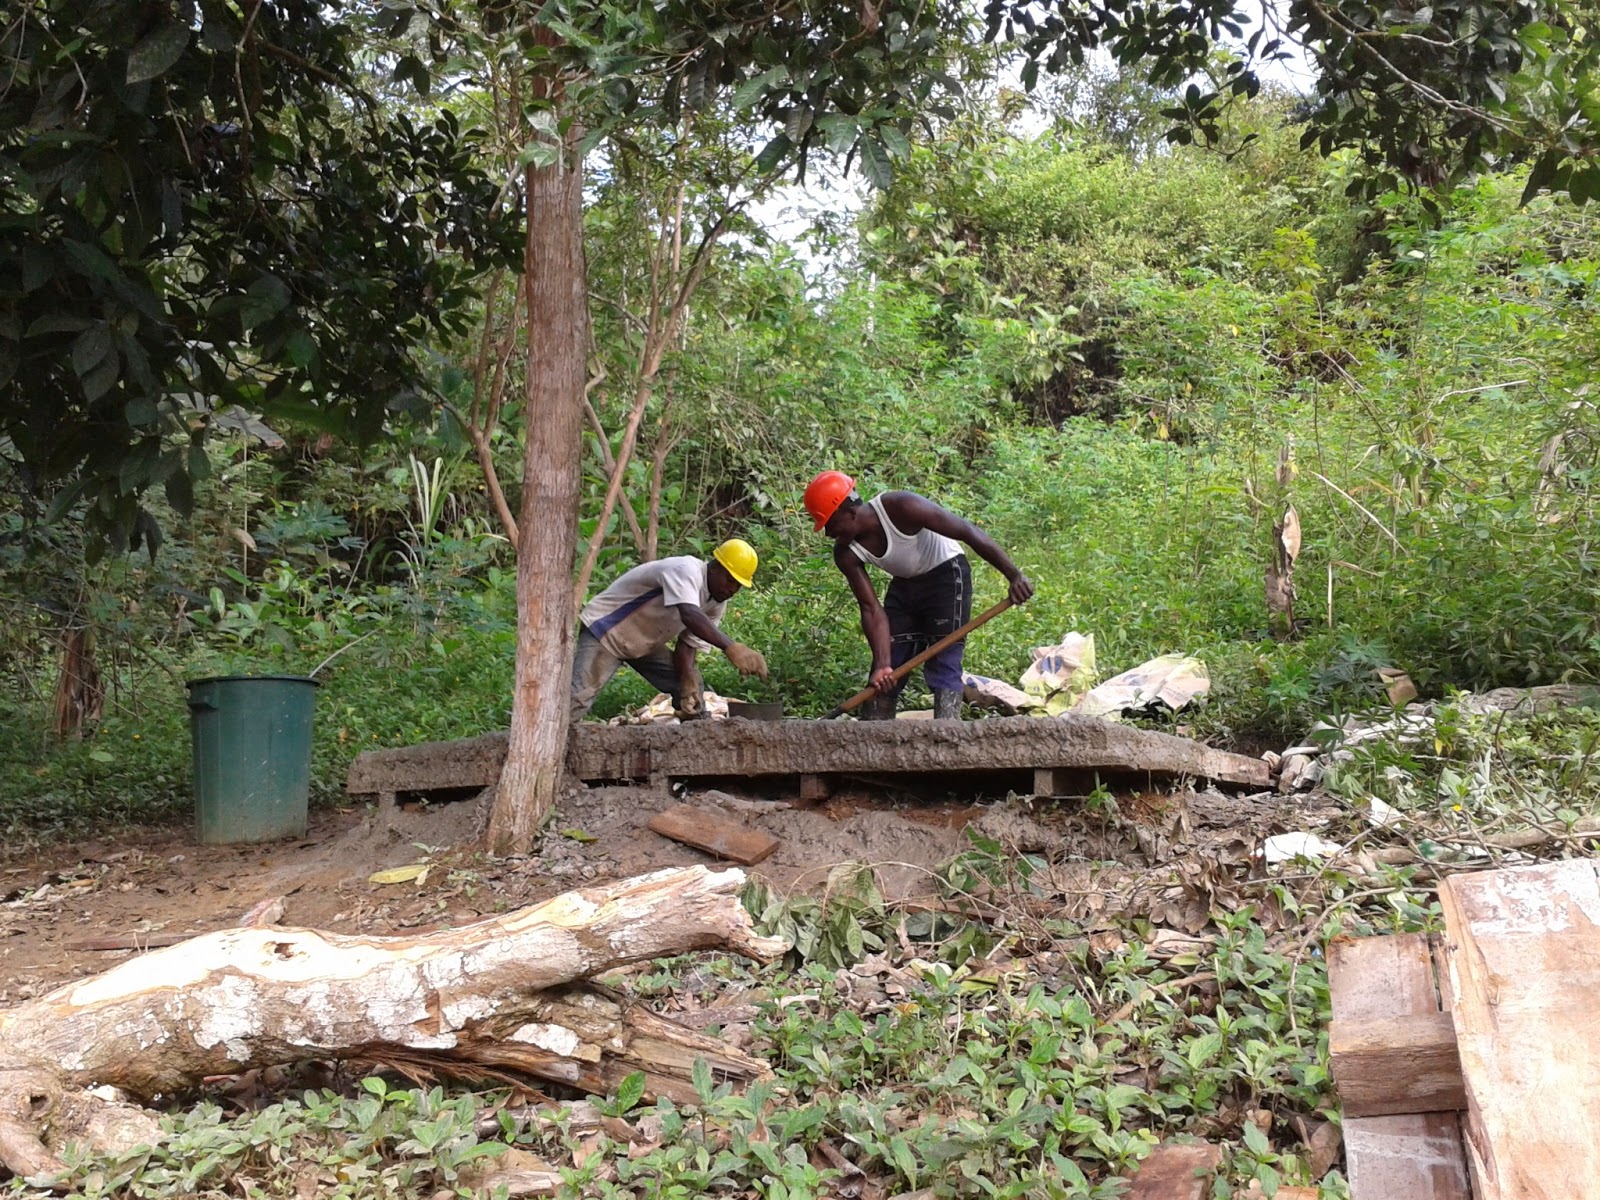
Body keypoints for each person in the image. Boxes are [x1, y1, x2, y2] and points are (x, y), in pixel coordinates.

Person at [804, 471, 1034, 720]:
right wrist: (882, 664)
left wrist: (1014, 576)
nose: (828, 534)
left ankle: (946, 736)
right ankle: (872, 741)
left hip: (946, 575)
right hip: (906, 584)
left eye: (830, 524)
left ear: (849, 513)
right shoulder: (846, 553)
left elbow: (966, 531)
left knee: (942, 660)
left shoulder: (901, 507)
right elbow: (870, 608)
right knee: (887, 669)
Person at [571, 539, 768, 722]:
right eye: (730, 580)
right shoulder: (687, 570)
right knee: (577, 698)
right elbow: (689, 614)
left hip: (643, 643)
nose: (732, 589)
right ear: (716, 567)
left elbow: (688, 645)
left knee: (691, 685)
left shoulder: (716, 603)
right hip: (607, 629)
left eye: (738, 585)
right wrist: (731, 647)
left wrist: (688, 677)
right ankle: (549, 746)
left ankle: (700, 735)